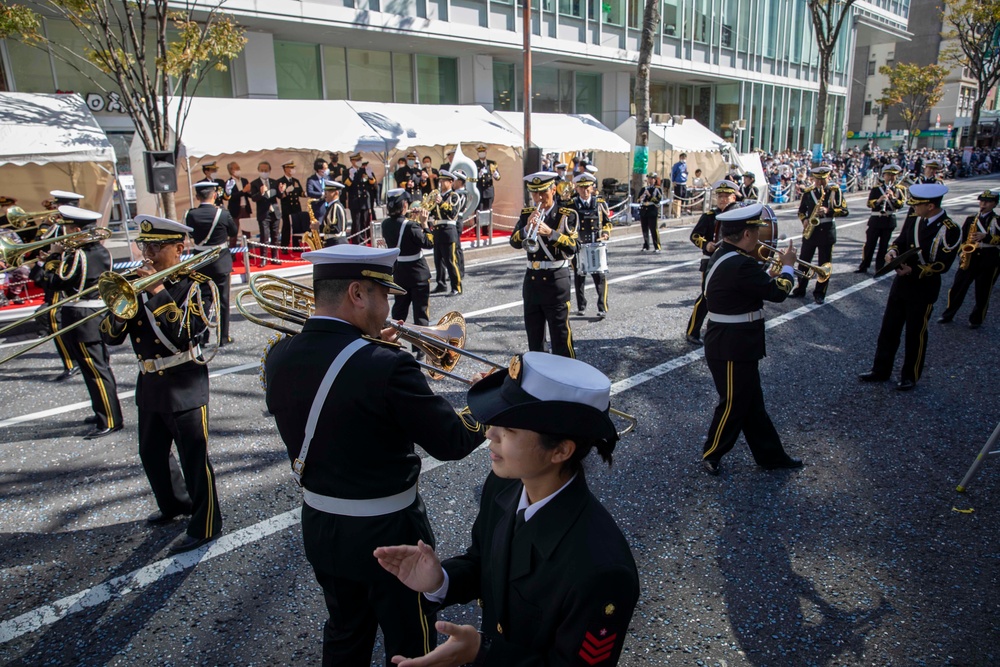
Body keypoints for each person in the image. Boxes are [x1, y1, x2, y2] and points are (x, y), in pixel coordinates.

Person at [262, 244, 488, 666]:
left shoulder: (278, 355)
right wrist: (490, 401)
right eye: (385, 295)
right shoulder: (386, 365)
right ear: (357, 294)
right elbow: (453, 441)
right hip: (389, 531)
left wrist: (366, 348)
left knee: (345, 632)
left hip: (322, 526)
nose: (390, 310)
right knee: (411, 642)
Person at [374, 352, 640, 667]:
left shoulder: (602, 569)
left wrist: (483, 653)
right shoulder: (505, 485)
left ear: (560, 450)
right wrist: (441, 580)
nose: (490, 434)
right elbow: (485, 561)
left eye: (509, 430)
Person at [101, 215, 223, 553]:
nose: (149, 254)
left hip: (184, 381)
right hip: (150, 382)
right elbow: (110, 338)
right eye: (145, 246)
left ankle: (207, 523)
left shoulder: (196, 285)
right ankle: (175, 505)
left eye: (157, 247)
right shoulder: (135, 282)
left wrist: (156, 290)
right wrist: (119, 305)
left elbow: (186, 334)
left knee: (193, 457)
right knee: (151, 452)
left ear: (178, 248)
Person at [700, 203, 802, 475]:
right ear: (746, 234)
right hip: (732, 344)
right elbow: (778, 293)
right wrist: (788, 268)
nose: (760, 237)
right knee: (734, 403)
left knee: (752, 404)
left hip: (734, 341)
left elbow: (743, 287)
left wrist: (767, 274)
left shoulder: (726, 254)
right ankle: (712, 453)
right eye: (756, 231)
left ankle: (771, 455)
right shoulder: (741, 263)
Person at [29, 206, 124, 438]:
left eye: (69, 228)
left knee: (96, 371)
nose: (66, 233)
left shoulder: (79, 255)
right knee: (95, 369)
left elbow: (53, 282)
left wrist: (49, 258)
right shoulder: (98, 251)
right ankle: (102, 411)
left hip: (83, 320)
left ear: (78, 229)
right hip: (89, 317)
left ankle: (110, 419)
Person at [859, 183, 961, 391]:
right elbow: (901, 241)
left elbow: (943, 263)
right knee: (889, 329)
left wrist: (914, 271)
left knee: (916, 333)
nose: (913, 207)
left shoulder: (950, 228)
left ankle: (910, 375)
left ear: (931, 206)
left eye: (917, 204)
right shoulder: (915, 218)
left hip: (923, 287)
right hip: (901, 283)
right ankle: (881, 369)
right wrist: (893, 253)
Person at [510, 172, 578, 358]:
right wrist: (526, 228)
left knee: (560, 336)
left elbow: (574, 247)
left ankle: (568, 374)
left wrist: (551, 233)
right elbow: (514, 242)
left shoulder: (566, 215)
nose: (539, 198)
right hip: (532, 280)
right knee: (534, 336)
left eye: (543, 193)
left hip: (556, 279)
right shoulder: (526, 215)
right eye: (535, 194)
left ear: (553, 190)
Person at [686, 179, 740, 346]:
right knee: (707, 297)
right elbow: (695, 235)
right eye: (720, 196)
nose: (723, 199)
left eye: (726, 196)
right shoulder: (710, 216)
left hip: (731, 261)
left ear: (734, 198)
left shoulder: (738, 215)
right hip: (711, 261)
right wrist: (706, 244)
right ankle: (692, 332)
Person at [186, 181, 239, 346]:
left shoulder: (191, 214)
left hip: (200, 261)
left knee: (201, 299)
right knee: (222, 300)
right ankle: (223, 337)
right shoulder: (222, 214)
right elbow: (233, 232)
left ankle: (202, 336)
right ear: (215, 195)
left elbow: (191, 234)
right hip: (220, 261)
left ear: (197, 197)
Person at [938, 189, 999, 329]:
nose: (983, 204)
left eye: (988, 202)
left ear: (994, 204)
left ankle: (976, 319)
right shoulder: (971, 219)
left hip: (989, 259)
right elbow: (963, 238)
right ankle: (948, 314)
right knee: (957, 287)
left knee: (983, 291)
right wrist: (962, 252)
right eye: (982, 201)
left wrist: (987, 237)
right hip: (970, 258)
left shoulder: (997, 220)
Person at [382, 189, 433, 356]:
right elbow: (428, 242)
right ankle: (420, 348)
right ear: (405, 205)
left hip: (400, 274)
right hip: (418, 275)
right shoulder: (411, 226)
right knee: (421, 314)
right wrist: (424, 223)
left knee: (399, 312)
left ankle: (391, 341)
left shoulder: (385, 224)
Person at [792, 165, 847, 304]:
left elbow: (844, 211)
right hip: (811, 231)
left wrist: (828, 211)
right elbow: (801, 211)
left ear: (828, 178)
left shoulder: (835, 191)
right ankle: (800, 288)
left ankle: (820, 293)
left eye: (823, 179)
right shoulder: (809, 192)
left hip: (827, 231)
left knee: (824, 264)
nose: (820, 182)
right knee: (804, 261)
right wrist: (804, 220)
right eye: (817, 179)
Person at [570, 173, 612, 318]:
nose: (584, 190)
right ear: (577, 188)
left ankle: (602, 306)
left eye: (587, 187)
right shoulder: (571, 204)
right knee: (579, 277)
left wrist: (605, 233)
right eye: (581, 188)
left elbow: (607, 222)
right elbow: (567, 225)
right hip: (579, 245)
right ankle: (581, 305)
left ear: (592, 187)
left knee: (599, 277)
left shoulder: (599, 203)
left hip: (595, 244)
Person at [856, 164, 905, 274]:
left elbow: (901, 205)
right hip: (875, 219)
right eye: (888, 175)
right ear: (884, 175)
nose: (891, 177)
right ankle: (864, 266)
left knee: (884, 246)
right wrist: (879, 200)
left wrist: (892, 198)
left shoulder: (899, 190)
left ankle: (880, 267)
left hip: (889, 220)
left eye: (893, 175)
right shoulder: (876, 188)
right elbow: (869, 203)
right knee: (869, 245)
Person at [429, 171, 464, 296]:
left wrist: (441, 203)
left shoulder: (454, 196)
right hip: (437, 231)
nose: (441, 183)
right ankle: (441, 284)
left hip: (448, 231)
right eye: (440, 180)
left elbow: (452, 213)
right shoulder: (438, 196)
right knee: (438, 261)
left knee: (450, 261)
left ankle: (457, 287)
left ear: (451, 182)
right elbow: (432, 212)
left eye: (444, 181)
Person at [250, 161, 282, 266]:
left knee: (275, 237)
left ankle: (274, 257)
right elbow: (254, 198)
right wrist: (261, 193)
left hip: (275, 212)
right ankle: (263, 258)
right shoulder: (255, 183)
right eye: (262, 170)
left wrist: (281, 191)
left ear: (269, 170)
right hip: (263, 214)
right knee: (264, 237)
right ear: (259, 171)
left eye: (266, 170)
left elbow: (280, 196)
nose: (264, 172)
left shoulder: (274, 182)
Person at [345, 153, 377, 245]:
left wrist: (371, 176)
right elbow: (345, 187)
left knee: (365, 222)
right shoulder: (347, 172)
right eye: (356, 160)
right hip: (355, 201)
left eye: (359, 160)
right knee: (356, 223)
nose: (359, 162)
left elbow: (373, 185)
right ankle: (356, 242)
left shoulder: (364, 170)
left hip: (365, 201)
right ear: (352, 161)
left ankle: (363, 241)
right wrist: (350, 177)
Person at [277, 160, 305, 249]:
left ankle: (296, 245)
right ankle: (284, 246)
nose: (293, 169)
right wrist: (286, 191)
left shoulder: (295, 181)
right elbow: (280, 196)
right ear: (285, 169)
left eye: (293, 168)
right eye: (291, 167)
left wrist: (307, 193)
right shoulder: (280, 181)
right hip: (287, 208)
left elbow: (300, 192)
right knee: (286, 227)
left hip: (296, 207)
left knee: (297, 226)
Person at [312, 180, 349, 247]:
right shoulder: (332, 206)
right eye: (325, 191)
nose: (325, 194)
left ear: (336, 193)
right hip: (333, 242)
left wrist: (319, 227)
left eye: (328, 191)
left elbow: (336, 228)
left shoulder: (335, 206)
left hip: (336, 242)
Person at [637, 172, 663, 252]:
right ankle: (646, 245)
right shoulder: (644, 189)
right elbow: (638, 200)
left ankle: (657, 246)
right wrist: (641, 197)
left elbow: (657, 200)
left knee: (653, 229)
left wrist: (649, 196)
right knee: (644, 229)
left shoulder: (657, 189)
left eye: (652, 178)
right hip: (644, 210)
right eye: (649, 178)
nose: (650, 180)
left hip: (652, 210)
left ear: (655, 180)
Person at [223, 162, 251, 228]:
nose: (239, 170)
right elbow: (231, 197)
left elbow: (249, 194)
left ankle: (247, 238)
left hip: (245, 208)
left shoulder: (244, 180)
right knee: (234, 230)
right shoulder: (229, 182)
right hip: (235, 210)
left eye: (239, 168)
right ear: (231, 170)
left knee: (247, 229)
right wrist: (243, 191)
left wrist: (249, 191)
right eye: (237, 168)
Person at [475, 144, 500, 213]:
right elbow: (472, 179)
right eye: (480, 152)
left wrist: (495, 174)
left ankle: (488, 224)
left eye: (483, 152)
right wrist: (479, 175)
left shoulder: (491, 163)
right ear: (477, 153)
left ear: (486, 153)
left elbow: (498, 178)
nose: (481, 154)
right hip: (479, 192)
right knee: (479, 211)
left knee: (488, 212)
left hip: (489, 192)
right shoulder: (475, 164)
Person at [670, 152, 688, 217]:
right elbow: (672, 173)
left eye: (684, 158)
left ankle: (682, 208)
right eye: (682, 158)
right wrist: (673, 181)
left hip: (684, 183)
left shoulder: (685, 165)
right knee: (678, 196)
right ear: (680, 158)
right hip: (678, 183)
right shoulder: (676, 165)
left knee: (684, 196)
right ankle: (677, 210)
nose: (683, 159)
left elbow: (686, 173)